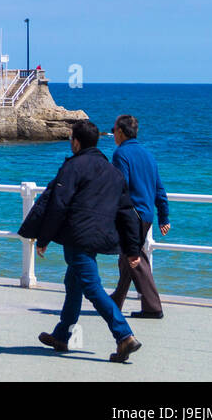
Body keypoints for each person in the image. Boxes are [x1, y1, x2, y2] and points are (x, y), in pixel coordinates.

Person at [32, 119, 144, 363]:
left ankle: (124, 336)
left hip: (78, 237)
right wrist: (133, 248)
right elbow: (126, 211)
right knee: (73, 282)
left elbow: (58, 204)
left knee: (92, 287)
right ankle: (61, 335)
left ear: (76, 142)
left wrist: (44, 238)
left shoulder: (73, 166)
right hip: (100, 236)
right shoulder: (112, 171)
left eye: (71, 138)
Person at [109, 114, 170, 319]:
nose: (112, 133)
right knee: (126, 259)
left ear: (120, 131)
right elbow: (159, 189)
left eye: (113, 129)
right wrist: (164, 217)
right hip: (146, 215)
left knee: (135, 258)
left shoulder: (121, 154)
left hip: (130, 215)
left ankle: (153, 307)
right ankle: (115, 300)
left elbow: (121, 187)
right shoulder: (148, 155)